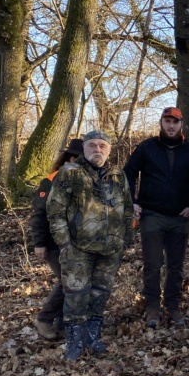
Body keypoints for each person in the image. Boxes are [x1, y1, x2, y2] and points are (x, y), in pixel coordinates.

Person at [46, 131, 132, 360]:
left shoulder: (118, 175)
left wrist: (125, 240)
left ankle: (93, 337)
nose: (97, 149)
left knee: (100, 294)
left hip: (110, 249)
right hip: (78, 249)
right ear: (84, 148)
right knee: (75, 295)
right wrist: (64, 244)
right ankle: (74, 342)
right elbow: (55, 211)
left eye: (102, 145)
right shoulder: (70, 173)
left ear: (109, 149)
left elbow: (128, 209)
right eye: (92, 145)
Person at [123, 107, 189, 327]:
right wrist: (132, 202)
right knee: (153, 264)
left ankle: (173, 306)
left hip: (179, 216)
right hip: (152, 215)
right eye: (167, 121)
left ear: (181, 125)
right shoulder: (147, 147)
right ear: (161, 122)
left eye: (175, 122)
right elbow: (128, 172)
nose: (171, 126)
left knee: (176, 266)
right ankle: (152, 308)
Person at [30, 138, 84, 340]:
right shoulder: (52, 180)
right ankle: (44, 319)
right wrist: (39, 243)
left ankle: (62, 325)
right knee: (68, 281)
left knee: (73, 282)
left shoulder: (81, 181)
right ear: (72, 159)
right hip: (53, 242)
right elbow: (38, 214)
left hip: (74, 241)